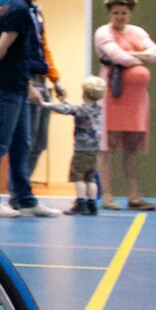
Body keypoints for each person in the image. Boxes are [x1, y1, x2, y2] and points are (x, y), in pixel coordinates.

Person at [0, 0, 59, 218]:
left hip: (19, 86)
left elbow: (18, 55)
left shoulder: (26, 9)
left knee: (21, 144)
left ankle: (25, 199)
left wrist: (28, 86)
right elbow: (0, 49)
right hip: (8, 87)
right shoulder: (16, 10)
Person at [95, 0, 156, 211]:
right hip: (114, 99)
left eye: (124, 12)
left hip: (136, 101)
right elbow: (117, 56)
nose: (120, 17)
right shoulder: (103, 32)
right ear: (109, 12)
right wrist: (139, 56)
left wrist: (133, 56)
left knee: (132, 149)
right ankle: (107, 196)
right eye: (115, 13)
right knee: (108, 148)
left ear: (130, 12)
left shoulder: (138, 32)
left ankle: (134, 196)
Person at [43, 76, 106, 215]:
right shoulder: (99, 110)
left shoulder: (81, 110)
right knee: (90, 177)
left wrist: (46, 104)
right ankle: (92, 203)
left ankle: (81, 202)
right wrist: (65, 101)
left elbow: (66, 109)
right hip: (94, 149)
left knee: (78, 176)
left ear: (84, 94)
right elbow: (72, 108)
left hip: (81, 149)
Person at [25, 31, 69, 179]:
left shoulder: (37, 15)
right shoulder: (18, 13)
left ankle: (23, 186)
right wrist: (28, 86)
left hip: (42, 80)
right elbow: (17, 55)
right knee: (27, 142)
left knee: (39, 143)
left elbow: (44, 50)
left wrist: (56, 81)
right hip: (28, 81)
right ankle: (18, 189)